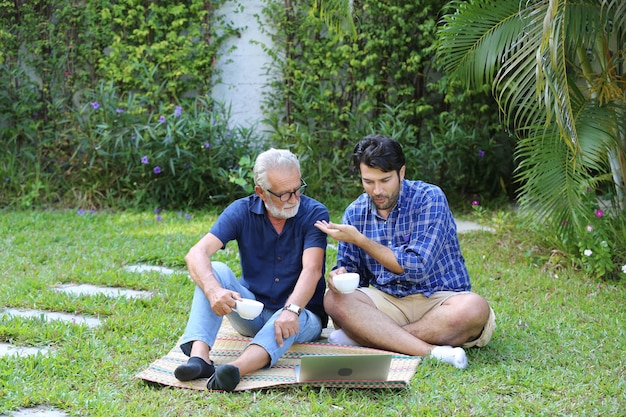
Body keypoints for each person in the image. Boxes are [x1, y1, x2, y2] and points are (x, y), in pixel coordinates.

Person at [315, 134, 495, 369]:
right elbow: (353, 272)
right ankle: (431, 351)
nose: (377, 190)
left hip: (439, 301)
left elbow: (416, 267)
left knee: (474, 308)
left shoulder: (429, 199)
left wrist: (361, 240)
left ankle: (374, 338)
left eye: (385, 180)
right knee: (334, 298)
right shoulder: (355, 212)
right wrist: (339, 276)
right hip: (388, 302)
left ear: (401, 173)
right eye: (368, 181)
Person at [175, 148, 329, 391]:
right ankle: (200, 357)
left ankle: (236, 368)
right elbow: (196, 253)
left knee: (283, 316)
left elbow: (313, 269)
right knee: (214, 269)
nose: (294, 198)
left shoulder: (314, 212)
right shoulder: (241, 210)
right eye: (284, 194)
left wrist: (292, 309)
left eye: (298, 189)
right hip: (253, 311)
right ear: (261, 192)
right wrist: (214, 291)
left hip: (302, 315)